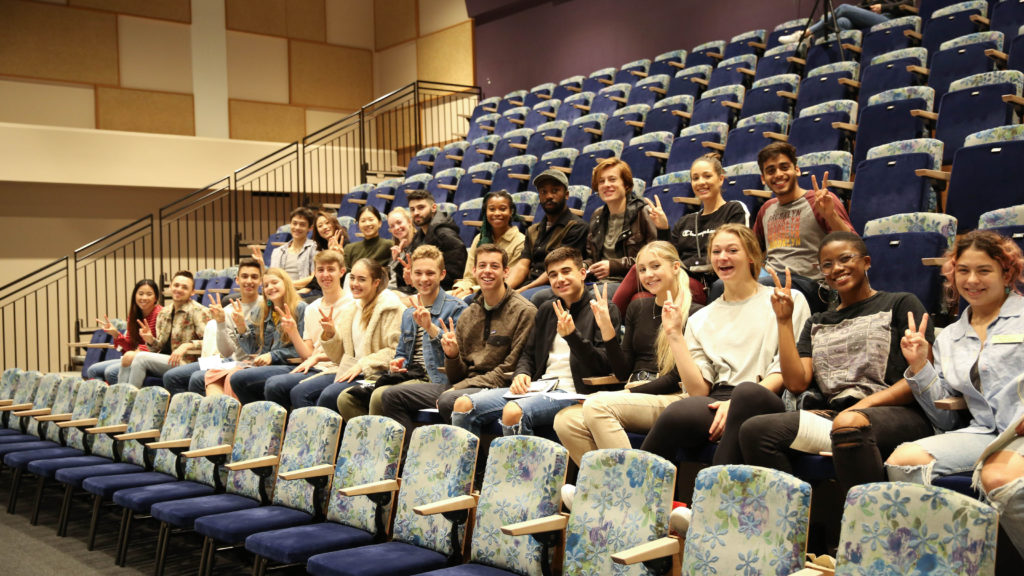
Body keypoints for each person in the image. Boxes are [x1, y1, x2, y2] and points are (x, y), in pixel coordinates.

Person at [717, 231, 934, 498]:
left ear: (866, 262)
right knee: (755, 430)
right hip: (835, 416)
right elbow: (796, 382)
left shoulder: (900, 303)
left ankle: (868, 526)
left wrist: (862, 406)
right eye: (828, 265)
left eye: (845, 259)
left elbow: (921, 376)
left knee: (850, 423)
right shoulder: (818, 321)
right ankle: (799, 524)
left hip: (896, 412)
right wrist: (784, 321)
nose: (837, 269)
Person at [885, 231, 1024, 554]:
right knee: (903, 463)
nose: (972, 280)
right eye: (963, 271)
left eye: (984, 270)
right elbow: (946, 420)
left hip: (1020, 428)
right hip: (983, 432)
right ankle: (951, 557)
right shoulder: (949, 337)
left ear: (1007, 273)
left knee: (998, 478)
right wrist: (921, 367)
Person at [638, 224, 810, 481]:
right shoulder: (701, 317)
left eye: (732, 250)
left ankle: (708, 501)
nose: (722, 257)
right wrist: (674, 335)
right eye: (716, 251)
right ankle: (637, 495)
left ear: (751, 255)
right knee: (677, 412)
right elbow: (699, 390)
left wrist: (737, 404)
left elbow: (787, 371)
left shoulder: (786, 299)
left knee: (747, 394)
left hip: (765, 396)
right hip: (719, 397)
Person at [449, 247, 618, 436]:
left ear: (582, 273)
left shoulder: (603, 309)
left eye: (566, 271)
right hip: (540, 387)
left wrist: (572, 337)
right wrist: (521, 374)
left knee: (513, 412)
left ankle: (520, 467)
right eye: (553, 275)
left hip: (574, 392)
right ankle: (473, 465)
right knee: (463, 405)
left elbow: (603, 365)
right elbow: (527, 355)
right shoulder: (547, 309)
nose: (559, 279)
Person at [553, 241, 695, 465]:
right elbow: (622, 371)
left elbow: (677, 378)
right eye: (642, 269)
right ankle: (605, 489)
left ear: (676, 267)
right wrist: (608, 330)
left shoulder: (694, 313)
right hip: (633, 395)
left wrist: (629, 393)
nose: (648, 275)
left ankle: (633, 485)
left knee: (597, 405)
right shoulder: (638, 308)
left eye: (655, 266)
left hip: (671, 398)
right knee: (565, 420)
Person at [377, 244, 536, 431]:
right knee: (390, 396)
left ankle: (470, 457)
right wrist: (452, 356)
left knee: (449, 399)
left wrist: (460, 386)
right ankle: (408, 458)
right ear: (474, 271)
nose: (487, 271)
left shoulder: (524, 311)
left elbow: (508, 369)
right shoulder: (471, 313)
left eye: (494, 266)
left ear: (506, 272)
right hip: (463, 385)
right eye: (482, 266)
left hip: (498, 388)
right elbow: (456, 374)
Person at [334, 245, 467, 420]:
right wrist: (397, 365)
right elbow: (402, 354)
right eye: (418, 273)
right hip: (411, 376)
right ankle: (368, 443)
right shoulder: (408, 313)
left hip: (438, 380)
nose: (423, 279)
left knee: (380, 395)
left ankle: (388, 446)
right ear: (410, 275)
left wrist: (431, 328)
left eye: (430, 273)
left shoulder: (458, 309)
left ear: (442, 275)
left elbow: (459, 360)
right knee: (346, 398)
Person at [289, 258, 403, 413]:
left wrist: (363, 364)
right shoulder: (352, 309)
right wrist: (330, 334)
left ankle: (334, 436)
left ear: (376, 283)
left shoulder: (391, 308)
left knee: (329, 396)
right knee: (299, 392)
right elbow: (339, 356)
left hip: (376, 374)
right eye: (352, 278)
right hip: (348, 370)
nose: (355, 284)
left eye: (361, 279)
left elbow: (395, 351)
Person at [752, 142, 855, 312]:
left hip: (812, 286)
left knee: (763, 288)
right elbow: (753, 251)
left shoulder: (820, 201)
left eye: (784, 167)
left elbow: (853, 245)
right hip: (772, 280)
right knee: (722, 286)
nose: (778, 174)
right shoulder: (766, 209)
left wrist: (831, 215)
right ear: (763, 179)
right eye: (771, 170)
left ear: (797, 170)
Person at [644, 152, 749, 304]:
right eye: (695, 178)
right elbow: (667, 257)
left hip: (711, 283)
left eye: (707, 176)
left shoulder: (734, 210)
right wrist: (663, 228)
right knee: (639, 300)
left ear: (720, 179)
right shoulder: (686, 221)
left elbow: (740, 253)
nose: (700, 182)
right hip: (681, 279)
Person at [260, 250, 352, 409]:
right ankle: (284, 430)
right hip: (314, 368)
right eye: (320, 270)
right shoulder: (312, 308)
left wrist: (318, 357)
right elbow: (307, 354)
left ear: (342, 272)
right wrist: (293, 332)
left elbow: (350, 352)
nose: (325, 274)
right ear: (314, 273)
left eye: (331, 269)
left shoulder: (353, 305)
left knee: (299, 392)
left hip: (338, 368)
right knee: (273, 384)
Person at [205, 268, 307, 400]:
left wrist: (273, 355)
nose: (270, 287)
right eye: (266, 285)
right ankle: (219, 414)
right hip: (257, 363)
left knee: (234, 376)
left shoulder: (300, 308)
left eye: (274, 283)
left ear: (286, 284)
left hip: (288, 364)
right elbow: (251, 349)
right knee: (212, 372)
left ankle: (234, 416)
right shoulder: (262, 310)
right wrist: (241, 326)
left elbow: (305, 349)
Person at [168, 259, 265, 395]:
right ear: (237, 280)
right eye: (244, 276)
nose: (249, 281)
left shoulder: (265, 306)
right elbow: (226, 352)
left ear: (260, 281)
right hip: (229, 360)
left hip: (250, 363)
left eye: (254, 277)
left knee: (197, 378)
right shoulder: (229, 309)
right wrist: (220, 323)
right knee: (172, 376)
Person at [508, 169, 589, 305]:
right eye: (543, 192)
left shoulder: (576, 226)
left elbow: (558, 268)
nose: (549, 196)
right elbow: (523, 265)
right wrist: (504, 289)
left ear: (567, 194)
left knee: (518, 301)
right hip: (530, 283)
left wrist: (522, 290)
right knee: (481, 298)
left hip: (553, 283)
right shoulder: (533, 230)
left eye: (555, 190)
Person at [122, 271, 210, 386]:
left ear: (192, 292)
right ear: (170, 287)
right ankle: (120, 399)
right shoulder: (164, 312)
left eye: (184, 287)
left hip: (188, 362)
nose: (179, 289)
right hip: (167, 359)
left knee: (140, 358)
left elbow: (210, 343)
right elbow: (159, 347)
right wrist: (150, 340)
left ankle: (128, 400)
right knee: (126, 360)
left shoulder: (199, 311)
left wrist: (187, 345)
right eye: (176, 285)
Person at [584, 158, 657, 295]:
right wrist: (583, 266)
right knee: (550, 295)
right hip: (599, 281)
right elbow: (592, 257)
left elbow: (655, 257)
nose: (606, 185)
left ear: (626, 185)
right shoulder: (597, 215)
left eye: (612, 179)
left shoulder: (643, 212)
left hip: (631, 280)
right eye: (601, 181)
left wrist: (614, 266)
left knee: (592, 296)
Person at [452, 190, 525, 298]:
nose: (497, 213)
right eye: (492, 209)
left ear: (511, 212)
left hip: (501, 294)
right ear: (485, 212)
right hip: (474, 290)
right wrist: (461, 288)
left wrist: (473, 290)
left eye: (502, 209)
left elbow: (507, 280)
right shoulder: (479, 239)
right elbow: (469, 277)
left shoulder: (520, 241)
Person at [88, 279, 162, 383]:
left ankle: (122, 397)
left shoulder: (160, 314)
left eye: (149, 294)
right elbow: (129, 347)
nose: (144, 298)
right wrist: (115, 334)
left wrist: (137, 351)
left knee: (111, 372)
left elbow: (158, 346)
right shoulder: (133, 315)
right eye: (140, 294)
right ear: (135, 296)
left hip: (148, 359)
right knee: (93, 370)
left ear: (156, 298)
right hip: (132, 357)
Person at [407, 189, 467, 290]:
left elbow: (456, 274)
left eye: (421, 208)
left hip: (441, 292)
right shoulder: (419, 236)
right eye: (412, 209)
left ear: (434, 207)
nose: (416, 212)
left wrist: (419, 280)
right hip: (422, 289)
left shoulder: (445, 234)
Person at [779, 1, 912, 43]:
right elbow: (863, 5)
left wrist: (883, 7)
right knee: (841, 21)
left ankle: (806, 33)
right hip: (869, 19)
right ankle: (847, 55)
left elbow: (908, 3)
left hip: (889, 18)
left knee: (843, 8)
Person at [387, 207, 416, 294]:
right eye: (392, 226)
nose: (396, 227)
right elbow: (392, 280)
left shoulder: (420, 244)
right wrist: (395, 260)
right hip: (394, 290)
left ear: (409, 222)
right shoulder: (396, 249)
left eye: (399, 223)